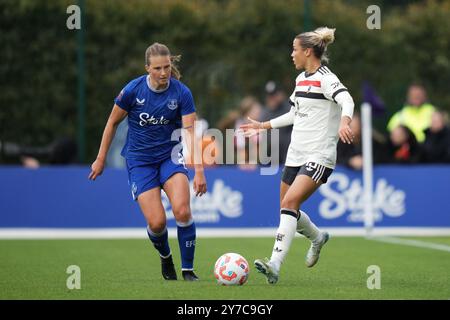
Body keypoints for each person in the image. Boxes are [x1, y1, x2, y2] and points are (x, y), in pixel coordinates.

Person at [240, 27, 355, 284]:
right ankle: (317, 237)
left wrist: (345, 122)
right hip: (296, 154)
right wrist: (263, 125)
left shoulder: (327, 78)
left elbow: (347, 100)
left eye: (294, 49)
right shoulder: (301, 79)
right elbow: (294, 114)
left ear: (307, 51)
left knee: (290, 204)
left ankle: (275, 264)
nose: (291, 54)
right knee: (286, 207)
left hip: (319, 154)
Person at [89, 43, 207, 281]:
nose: (164, 73)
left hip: (170, 158)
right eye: (157, 69)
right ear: (147, 69)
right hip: (140, 162)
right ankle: (166, 258)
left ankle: (188, 270)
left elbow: (190, 132)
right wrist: (100, 158)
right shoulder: (133, 90)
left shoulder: (182, 92)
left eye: (167, 67)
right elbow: (111, 123)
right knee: (156, 222)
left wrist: (200, 171)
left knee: (183, 211)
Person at [259, 81, 293, 165]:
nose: (272, 98)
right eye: (270, 95)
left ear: (281, 94)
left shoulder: (290, 109)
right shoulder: (265, 112)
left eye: (275, 95)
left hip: (289, 155)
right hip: (270, 156)